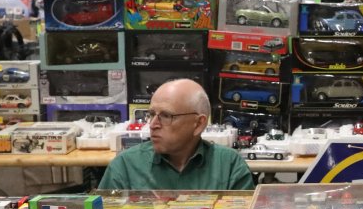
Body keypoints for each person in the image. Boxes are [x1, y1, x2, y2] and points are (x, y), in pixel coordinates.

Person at [98, 78, 254, 191]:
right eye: (151, 114)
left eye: (166, 116)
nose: (152, 125)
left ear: (199, 124)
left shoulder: (229, 166)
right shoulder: (125, 166)